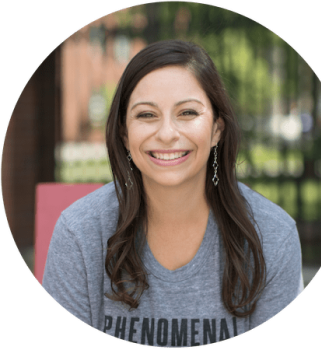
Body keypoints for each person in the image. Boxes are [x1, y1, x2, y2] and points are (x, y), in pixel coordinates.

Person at [42, 39, 304, 347]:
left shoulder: (272, 235)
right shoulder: (79, 234)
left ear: (217, 129)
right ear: (125, 133)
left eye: (188, 112)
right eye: (147, 115)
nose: (167, 133)